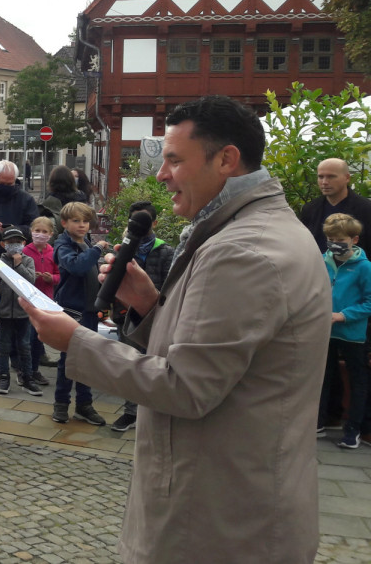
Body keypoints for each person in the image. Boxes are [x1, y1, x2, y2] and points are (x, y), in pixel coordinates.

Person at [24, 95, 330, 564]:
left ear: (226, 159)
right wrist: (149, 306)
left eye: (174, 160)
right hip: (226, 497)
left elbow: (187, 387)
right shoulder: (253, 229)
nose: (161, 175)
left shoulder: (243, 251)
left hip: (214, 517)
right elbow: (219, 355)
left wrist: (76, 342)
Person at [109, 201, 174, 433]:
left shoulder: (166, 251)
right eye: (134, 219)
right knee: (129, 364)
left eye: (144, 219)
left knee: (155, 366)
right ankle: (130, 412)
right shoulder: (124, 248)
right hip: (126, 317)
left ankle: (152, 412)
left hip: (157, 320)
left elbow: (171, 287)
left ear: (154, 223)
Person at [49, 201, 110, 426]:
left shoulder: (85, 242)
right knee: (69, 358)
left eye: (85, 221)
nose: (82, 225)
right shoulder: (63, 245)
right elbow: (76, 266)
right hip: (72, 310)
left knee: (87, 358)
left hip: (90, 309)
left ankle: (84, 405)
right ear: (65, 223)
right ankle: (61, 403)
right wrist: (97, 250)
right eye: (76, 221)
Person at [317, 213, 371, 449]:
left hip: (353, 335)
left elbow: (369, 302)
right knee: (323, 377)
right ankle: (318, 422)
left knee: (358, 380)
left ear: (354, 239)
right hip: (325, 332)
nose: (334, 244)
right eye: (330, 239)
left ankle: (353, 430)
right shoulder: (321, 261)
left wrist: (343, 315)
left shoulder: (364, 268)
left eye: (340, 240)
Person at [0, 226, 42, 397]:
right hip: (4, 312)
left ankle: (27, 378)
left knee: (25, 346)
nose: (14, 245)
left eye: (18, 242)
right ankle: (4, 377)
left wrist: (18, 264)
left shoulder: (28, 261)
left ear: (24, 243)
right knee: (4, 347)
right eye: (10, 242)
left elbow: (30, 280)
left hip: (23, 313)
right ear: (3, 244)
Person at [300, 158, 371, 254]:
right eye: (320, 177)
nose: (324, 182)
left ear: (347, 178)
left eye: (331, 177)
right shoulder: (310, 209)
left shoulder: (366, 209)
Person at [22, 216, 59, 380]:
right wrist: (30, 276)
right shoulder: (24, 251)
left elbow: (59, 274)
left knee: (38, 337)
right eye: (37, 231)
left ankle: (34, 369)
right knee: (27, 337)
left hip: (45, 300)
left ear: (50, 234)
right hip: (27, 299)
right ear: (31, 231)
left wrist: (52, 278)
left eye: (44, 232)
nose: (40, 234)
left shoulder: (54, 252)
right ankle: (25, 369)